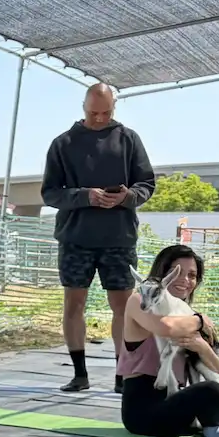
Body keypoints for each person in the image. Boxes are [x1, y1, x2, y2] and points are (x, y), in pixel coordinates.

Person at [41, 82, 156, 394]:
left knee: (124, 306)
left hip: (119, 238)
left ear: (114, 108)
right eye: (94, 113)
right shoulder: (63, 144)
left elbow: (147, 184)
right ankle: (79, 374)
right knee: (73, 304)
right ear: (83, 107)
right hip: (75, 238)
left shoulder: (129, 139)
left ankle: (123, 375)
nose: (101, 118)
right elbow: (50, 193)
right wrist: (85, 196)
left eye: (107, 112)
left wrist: (127, 196)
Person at [120, 244, 219, 437]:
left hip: (179, 399)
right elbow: (167, 328)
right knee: (211, 391)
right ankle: (216, 425)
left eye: (192, 275)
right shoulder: (139, 300)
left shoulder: (184, 312)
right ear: (164, 274)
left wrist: (201, 346)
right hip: (144, 411)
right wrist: (199, 320)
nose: (185, 280)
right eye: (177, 272)